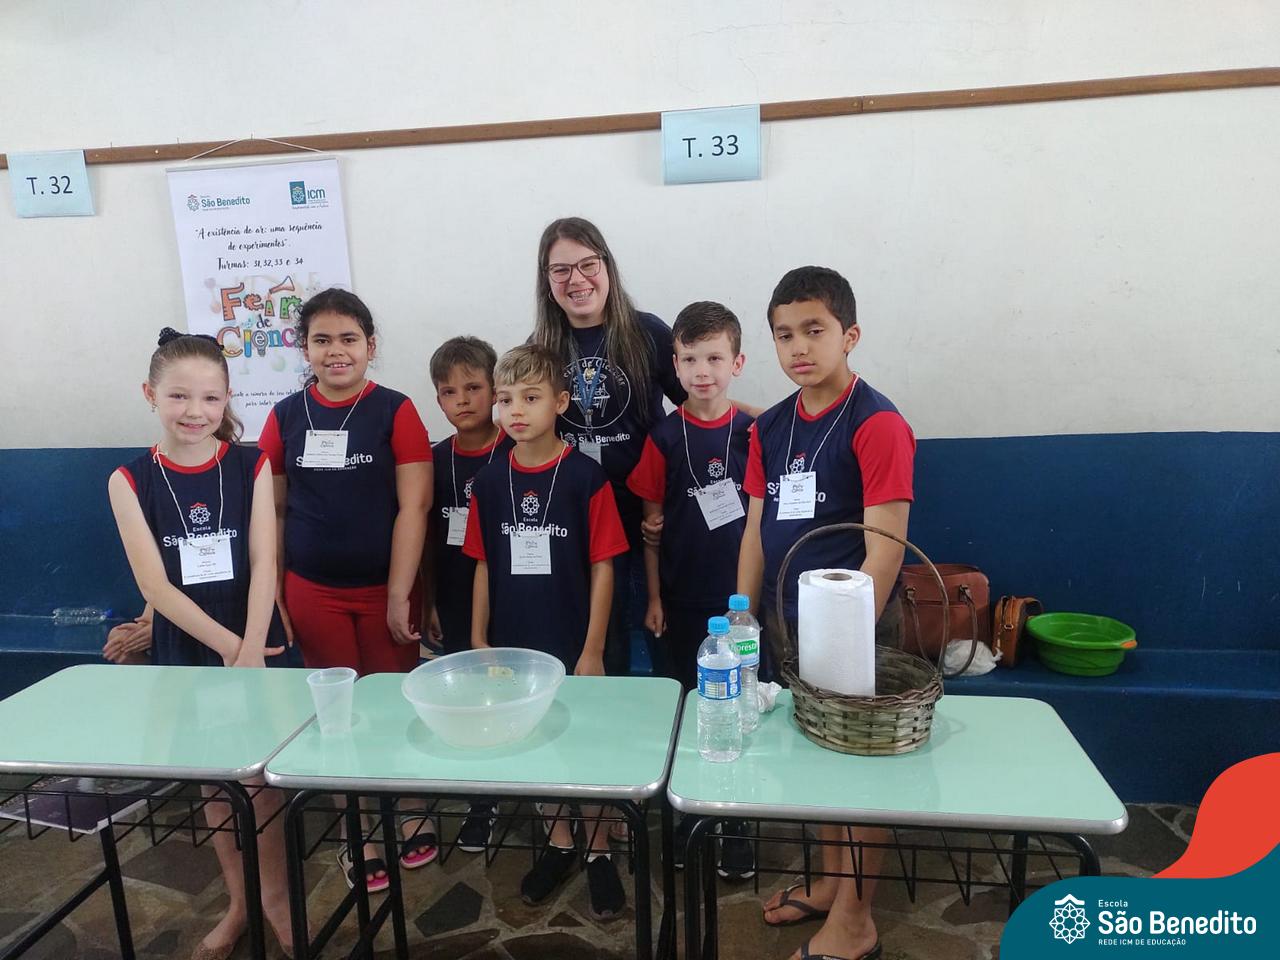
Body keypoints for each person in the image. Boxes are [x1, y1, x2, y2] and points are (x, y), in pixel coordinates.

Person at [737, 267, 915, 960]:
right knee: (816, 758)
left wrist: (843, 640)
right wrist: (744, 614)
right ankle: (832, 883)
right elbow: (756, 529)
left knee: (858, 771)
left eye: (814, 330)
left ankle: (856, 920)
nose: (799, 347)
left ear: (850, 335)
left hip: (854, 629)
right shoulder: (770, 427)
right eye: (784, 335)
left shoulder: (877, 423)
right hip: (786, 620)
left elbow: (885, 550)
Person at [106, 328, 301, 960]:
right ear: (150, 394)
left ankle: (276, 899)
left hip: (255, 634)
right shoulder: (129, 480)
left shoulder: (250, 464)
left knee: (261, 779)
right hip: (193, 644)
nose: (196, 411)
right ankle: (240, 903)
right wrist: (229, 650)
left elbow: (264, 563)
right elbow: (154, 586)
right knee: (216, 781)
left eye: (211, 398)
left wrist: (251, 648)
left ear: (227, 399)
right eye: (180, 396)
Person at [257, 288, 435, 891]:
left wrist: (399, 593)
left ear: (370, 345)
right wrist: (275, 591)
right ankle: (357, 830)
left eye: (349, 338)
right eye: (322, 340)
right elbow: (272, 512)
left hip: (386, 590)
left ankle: (409, 810)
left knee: (394, 703)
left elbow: (414, 507)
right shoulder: (285, 416)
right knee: (338, 716)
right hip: (313, 591)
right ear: (303, 348)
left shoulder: (396, 411)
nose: (336, 351)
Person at [462, 344, 631, 920]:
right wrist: (479, 637)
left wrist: (593, 649)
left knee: (586, 741)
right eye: (506, 399)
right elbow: (482, 563)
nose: (515, 411)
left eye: (530, 398)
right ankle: (560, 841)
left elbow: (604, 565)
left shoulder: (586, 477)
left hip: (575, 637)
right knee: (534, 738)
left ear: (560, 403)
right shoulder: (489, 482)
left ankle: (599, 848)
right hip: (515, 640)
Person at [626, 300, 757, 880]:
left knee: (740, 710)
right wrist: (655, 598)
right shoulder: (662, 438)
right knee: (686, 709)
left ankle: (737, 824)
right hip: (680, 602)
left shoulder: (754, 433)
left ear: (737, 363)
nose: (702, 371)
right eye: (689, 359)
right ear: (674, 366)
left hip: (741, 606)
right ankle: (689, 814)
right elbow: (651, 527)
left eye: (714, 358)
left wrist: (754, 600)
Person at [530, 217, 687, 676]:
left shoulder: (648, 333)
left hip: (650, 515)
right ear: (547, 281)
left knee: (662, 633)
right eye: (561, 270)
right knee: (602, 643)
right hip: (578, 518)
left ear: (607, 267)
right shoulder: (540, 348)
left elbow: (700, 404)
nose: (576, 279)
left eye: (587, 264)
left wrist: (763, 420)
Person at [422, 335, 513, 853]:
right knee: (472, 696)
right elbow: (427, 540)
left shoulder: (520, 448)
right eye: (449, 392)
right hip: (455, 597)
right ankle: (484, 798)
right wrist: (429, 601)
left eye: (474, 387)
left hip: (515, 594)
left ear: (495, 390)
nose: (463, 400)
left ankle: (537, 788)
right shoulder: (434, 460)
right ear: (438, 399)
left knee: (515, 687)